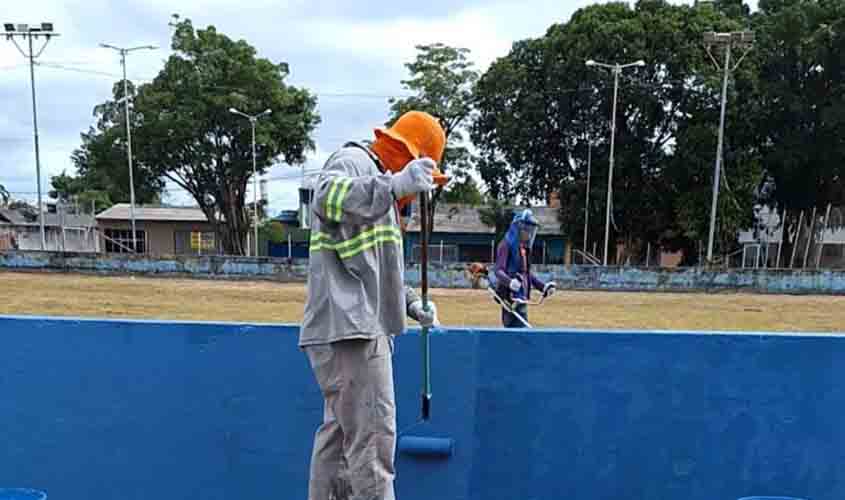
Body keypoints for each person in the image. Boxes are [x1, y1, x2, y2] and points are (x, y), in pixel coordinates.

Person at [300, 110, 445, 500]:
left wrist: (411, 303)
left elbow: (375, 269)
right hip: (353, 329)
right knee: (373, 440)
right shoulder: (355, 162)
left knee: (339, 440)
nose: (413, 195)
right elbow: (326, 196)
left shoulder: (381, 192)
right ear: (406, 154)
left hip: (347, 327)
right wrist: (393, 186)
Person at [494, 209, 556, 328]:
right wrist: (510, 282)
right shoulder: (505, 245)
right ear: (518, 228)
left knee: (522, 331)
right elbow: (498, 270)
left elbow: (526, 274)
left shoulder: (523, 249)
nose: (530, 234)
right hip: (509, 298)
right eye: (527, 229)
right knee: (515, 332)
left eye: (532, 230)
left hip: (521, 298)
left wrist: (543, 287)